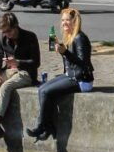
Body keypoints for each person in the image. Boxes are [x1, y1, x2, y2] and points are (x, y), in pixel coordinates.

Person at [26, 8, 94, 142]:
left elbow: (83, 64)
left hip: (82, 80)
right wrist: (61, 48)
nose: (64, 23)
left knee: (46, 91)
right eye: (62, 20)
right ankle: (49, 127)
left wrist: (65, 52)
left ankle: (41, 127)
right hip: (71, 75)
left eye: (67, 20)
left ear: (75, 22)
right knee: (42, 88)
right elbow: (70, 61)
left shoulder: (80, 38)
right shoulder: (70, 37)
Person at [0, 12, 40, 145]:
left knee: (6, 86)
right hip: (9, 70)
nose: (6, 34)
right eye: (3, 32)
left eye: (8, 31)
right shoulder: (1, 38)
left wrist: (18, 62)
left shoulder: (30, 37)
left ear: (16, 26)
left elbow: (36, 62)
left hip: (26, 72)